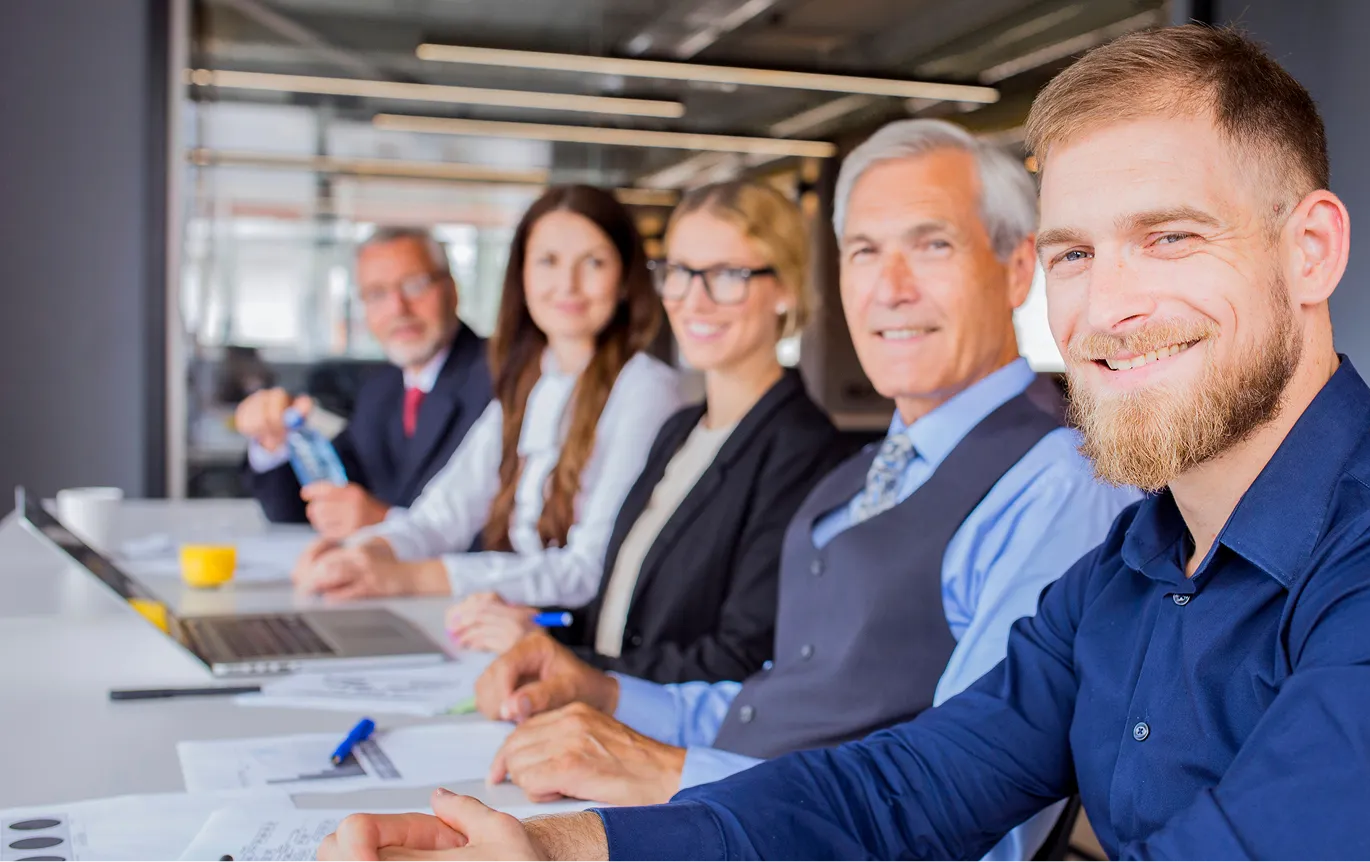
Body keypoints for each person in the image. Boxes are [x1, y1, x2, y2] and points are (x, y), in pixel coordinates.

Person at [319, 25, 1370, 862]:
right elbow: (900, 790)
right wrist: (572, 853)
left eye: (1170, 237)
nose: (1108, 305)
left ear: (1311, 252)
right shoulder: (1140, 557)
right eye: (1076, 252)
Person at [410, 118, 1132, 858]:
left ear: (1017, 269)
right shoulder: (863, 475)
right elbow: (776, 700)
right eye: (864, 252)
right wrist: (611, 696)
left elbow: (980, 809)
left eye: (932, 245)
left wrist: (674, 774)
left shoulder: (1058, 484)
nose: (890, 288)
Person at [445, 180, 846, 686]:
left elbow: (735, 661)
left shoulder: (803, 451)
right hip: (605, 713)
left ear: (785, 288)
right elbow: (623, 619)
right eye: (679, 273)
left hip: (660, 743)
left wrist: (563, 661)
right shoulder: (680, 431)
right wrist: (535, 627)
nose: (693, 302)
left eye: (727, 275)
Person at [294, 185, 683, 606]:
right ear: (522, 276)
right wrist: (363, 552)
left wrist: (411, 577)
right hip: (505, 625)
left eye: (593, 262)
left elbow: (587, 571)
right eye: (548, 261)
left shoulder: (646, 389)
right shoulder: (530, 381)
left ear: (625, 277)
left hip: (573, 643)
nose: (567, 285)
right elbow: (441, 517)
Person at [234, 227, 492, 538]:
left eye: (415, 285)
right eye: (377, 294)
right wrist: (276, 443)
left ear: (452, 289)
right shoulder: (380, 388)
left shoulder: (504, 379)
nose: (398, 308)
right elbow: (308, 506)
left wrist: (390, 523)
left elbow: (530, 535)